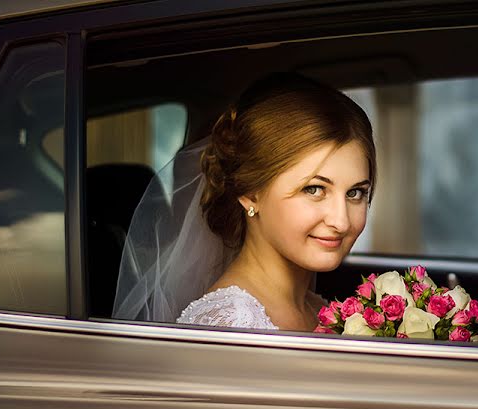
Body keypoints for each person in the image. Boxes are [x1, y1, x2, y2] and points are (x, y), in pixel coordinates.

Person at [113, 73, 376, 331]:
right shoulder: (227, 325)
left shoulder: (318, 309)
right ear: (250, 192)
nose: (341, 221)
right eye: (314, 189)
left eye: (355, 193)